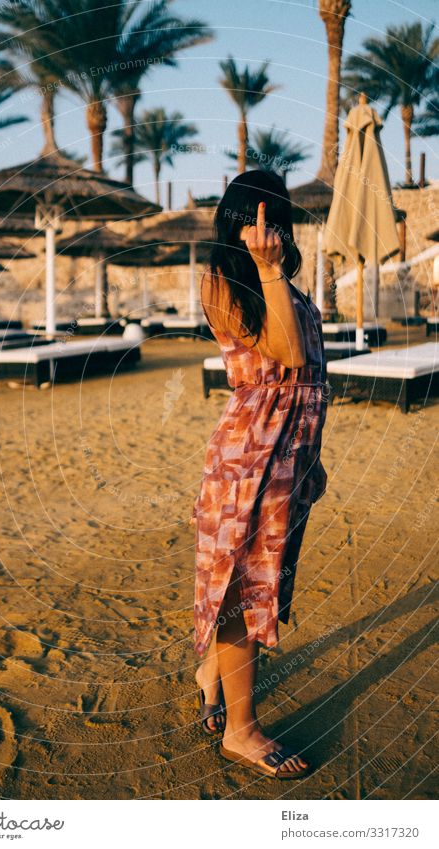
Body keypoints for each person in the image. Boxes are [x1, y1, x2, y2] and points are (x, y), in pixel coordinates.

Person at [190, 169, 328, 779]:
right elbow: (288, 353)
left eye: (275, 217)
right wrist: (268, 269)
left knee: (265, 585)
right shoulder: (220, 281)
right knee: (243, 592)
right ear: (234, 220)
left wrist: (313, 458)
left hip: (291, 459)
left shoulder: (288, 290)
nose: (265, 229)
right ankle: (241, 733)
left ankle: (208, 674)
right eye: (253, 216)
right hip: (249, 461)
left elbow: (309, 379)